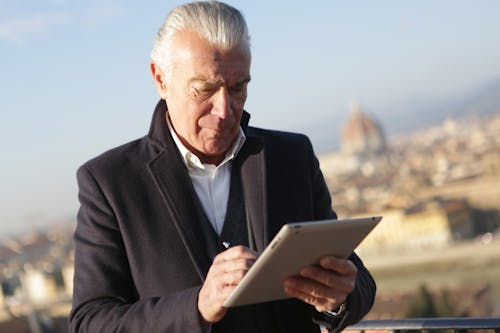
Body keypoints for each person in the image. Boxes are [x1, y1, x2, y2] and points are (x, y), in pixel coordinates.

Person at [69, 1, 376, 332]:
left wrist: (338, 298)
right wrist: (198, 305)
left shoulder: (292, 156)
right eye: (204, 89)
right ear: (160, 79)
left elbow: (359, 285)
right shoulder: (110, 183)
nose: (225, 110)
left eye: (238, 87)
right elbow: (89, 323)